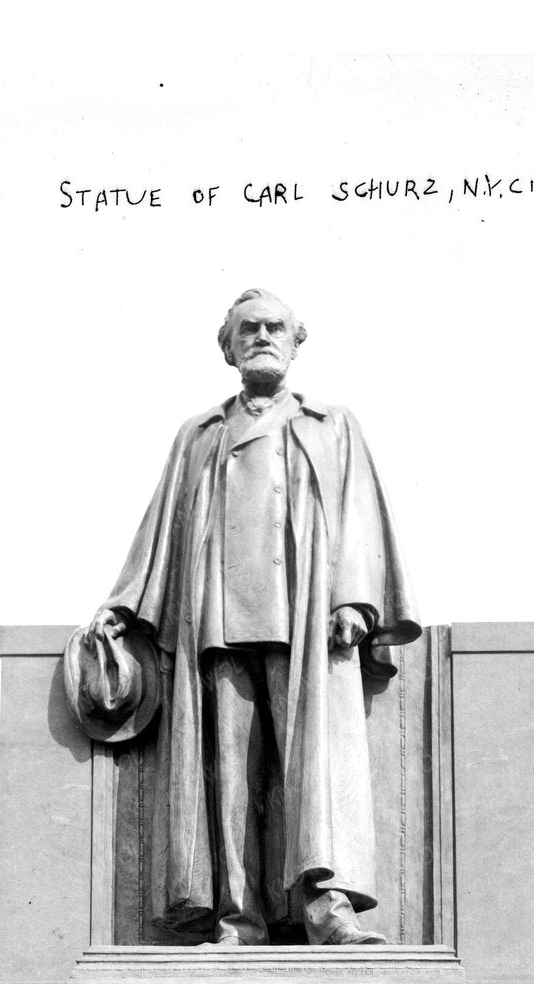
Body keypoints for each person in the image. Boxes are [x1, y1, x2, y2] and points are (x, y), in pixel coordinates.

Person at [85, 288, 420, 946]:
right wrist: (123, 603)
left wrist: (353, 597)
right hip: (219, 624)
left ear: (297, 341)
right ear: (229, 347)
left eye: (275, 328)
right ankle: (239, 919)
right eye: (248, 329)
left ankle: (329, 913)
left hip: (305, 624)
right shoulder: (201, 434)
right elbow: (161, 530)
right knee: (229, 778)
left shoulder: (331, 423)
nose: (262, 336)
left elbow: (357, 518)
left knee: (314, 770)